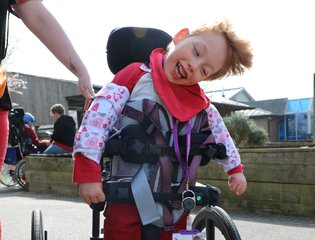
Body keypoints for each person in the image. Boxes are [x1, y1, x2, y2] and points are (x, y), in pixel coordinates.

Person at [73, 20, 253, 240]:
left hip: (174, 197)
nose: (193, 66)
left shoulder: (201, 104)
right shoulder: (135, 76)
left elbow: (220, 135)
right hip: (127, 191)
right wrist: (88, 171)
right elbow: (97, 119)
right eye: (196, 52)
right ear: (180, 37)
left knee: (174, 230)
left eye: (204, 70)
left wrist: (235, 169)